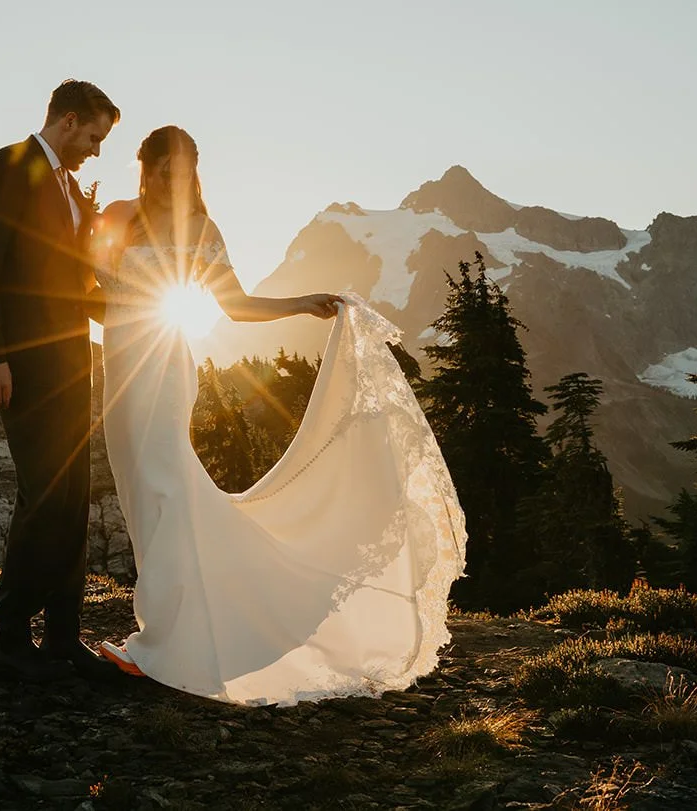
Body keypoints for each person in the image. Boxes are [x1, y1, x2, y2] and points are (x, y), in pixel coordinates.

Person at [91, 126, 467, 705]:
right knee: (143, 496)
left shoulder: (202, 230)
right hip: (120, 368)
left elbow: (235, 307)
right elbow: (91, 285)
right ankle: (177, 626)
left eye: (187, 167)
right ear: (144, 168)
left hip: (166, 369)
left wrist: (301, 302)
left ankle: (164, 640)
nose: (177, 178)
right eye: (166, 167)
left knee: (167, 490)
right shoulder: (118, 215)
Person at [0, 79, 123, 683]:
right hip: (23, 364)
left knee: (74, 493)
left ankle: (62, 635)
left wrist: (130, 313)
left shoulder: (71, 189)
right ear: (68, 120)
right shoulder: (8, 167)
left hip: (71, 360)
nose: (97, 150)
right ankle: (10, 639)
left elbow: (72, 282)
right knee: (43, 494)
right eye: (94, 136)